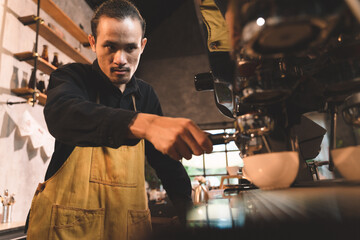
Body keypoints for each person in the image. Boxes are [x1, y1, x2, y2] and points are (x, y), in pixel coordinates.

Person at [25, 0, 213, 239]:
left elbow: (166, 163)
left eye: (130, 48)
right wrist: (147, 124)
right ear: (93, 43)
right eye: (110, 47)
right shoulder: (72, 78)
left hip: (126, 229)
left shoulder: (146, 95)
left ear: (143, 46)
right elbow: (62, 114)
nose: (120, 59)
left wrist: (187, 212)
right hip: (65, 229)